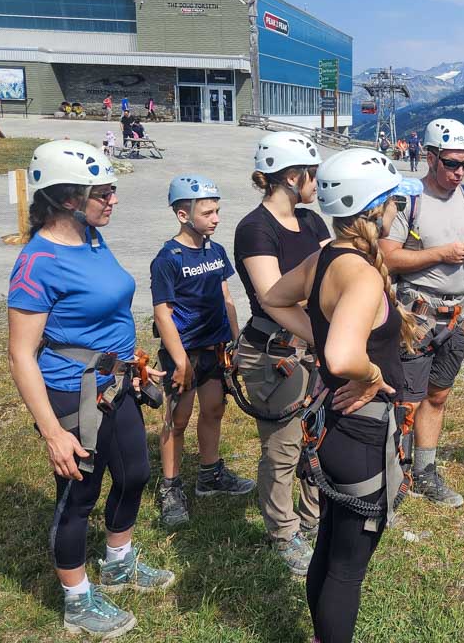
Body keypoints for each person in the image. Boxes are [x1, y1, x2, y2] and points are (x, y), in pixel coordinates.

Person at [7, 140, 174, 638]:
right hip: (71, 394)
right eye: (103, 192)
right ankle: (76, 600)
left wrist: (135, 367)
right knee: (78, 495)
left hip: (117, 383)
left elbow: (109, 309)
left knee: (136, 473)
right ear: (67, 198)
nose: (114, 200)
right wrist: (53, 432)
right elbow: (21, 354)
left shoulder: (92, 239)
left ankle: (119, 561)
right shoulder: (37, 263)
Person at [260, 148, 422, 643]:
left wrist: (317, 334)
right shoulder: (363, 275)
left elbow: (272, 298)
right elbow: (343, 358)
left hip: (333, 423)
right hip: (363, 430)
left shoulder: (325, 256)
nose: (399, 211)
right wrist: (371, 371)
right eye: (394, 202)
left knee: (330, 544)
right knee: (348, 567)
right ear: (373, 209)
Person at [379, 119, 464, 507]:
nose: (459, 171)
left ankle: (424, 472)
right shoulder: (408, 201)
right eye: (451, 163)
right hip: (417, 314)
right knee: (406, 399)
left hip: (457, 318)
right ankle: (393, 474)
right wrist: (440, 254)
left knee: (438, 396)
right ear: (430, 158)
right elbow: (388, 256)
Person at [232, 132, 326, 575]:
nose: (318, 183)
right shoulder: (255, 229)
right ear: (293, 176)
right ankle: (283, 532)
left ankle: (311, 518)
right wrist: (323, 338)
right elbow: (272, 296)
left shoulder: (311, 223)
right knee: (283, 447)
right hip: (275, 353)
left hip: (312, 346)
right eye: (313, 174)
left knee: (316, 438)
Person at [153, 175, 254, 527]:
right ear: (183, 215)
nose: (216, 218)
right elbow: (162, 313)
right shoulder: (167, 258)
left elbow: (226, 298)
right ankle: (171, 487)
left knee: (214, 409)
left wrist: (237, 340)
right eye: (208, 212)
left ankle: (209, 475)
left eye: (217, 211)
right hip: (184, 353)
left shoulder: (216, 251)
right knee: (176, 420)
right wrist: (180, 361)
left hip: (215, 348)